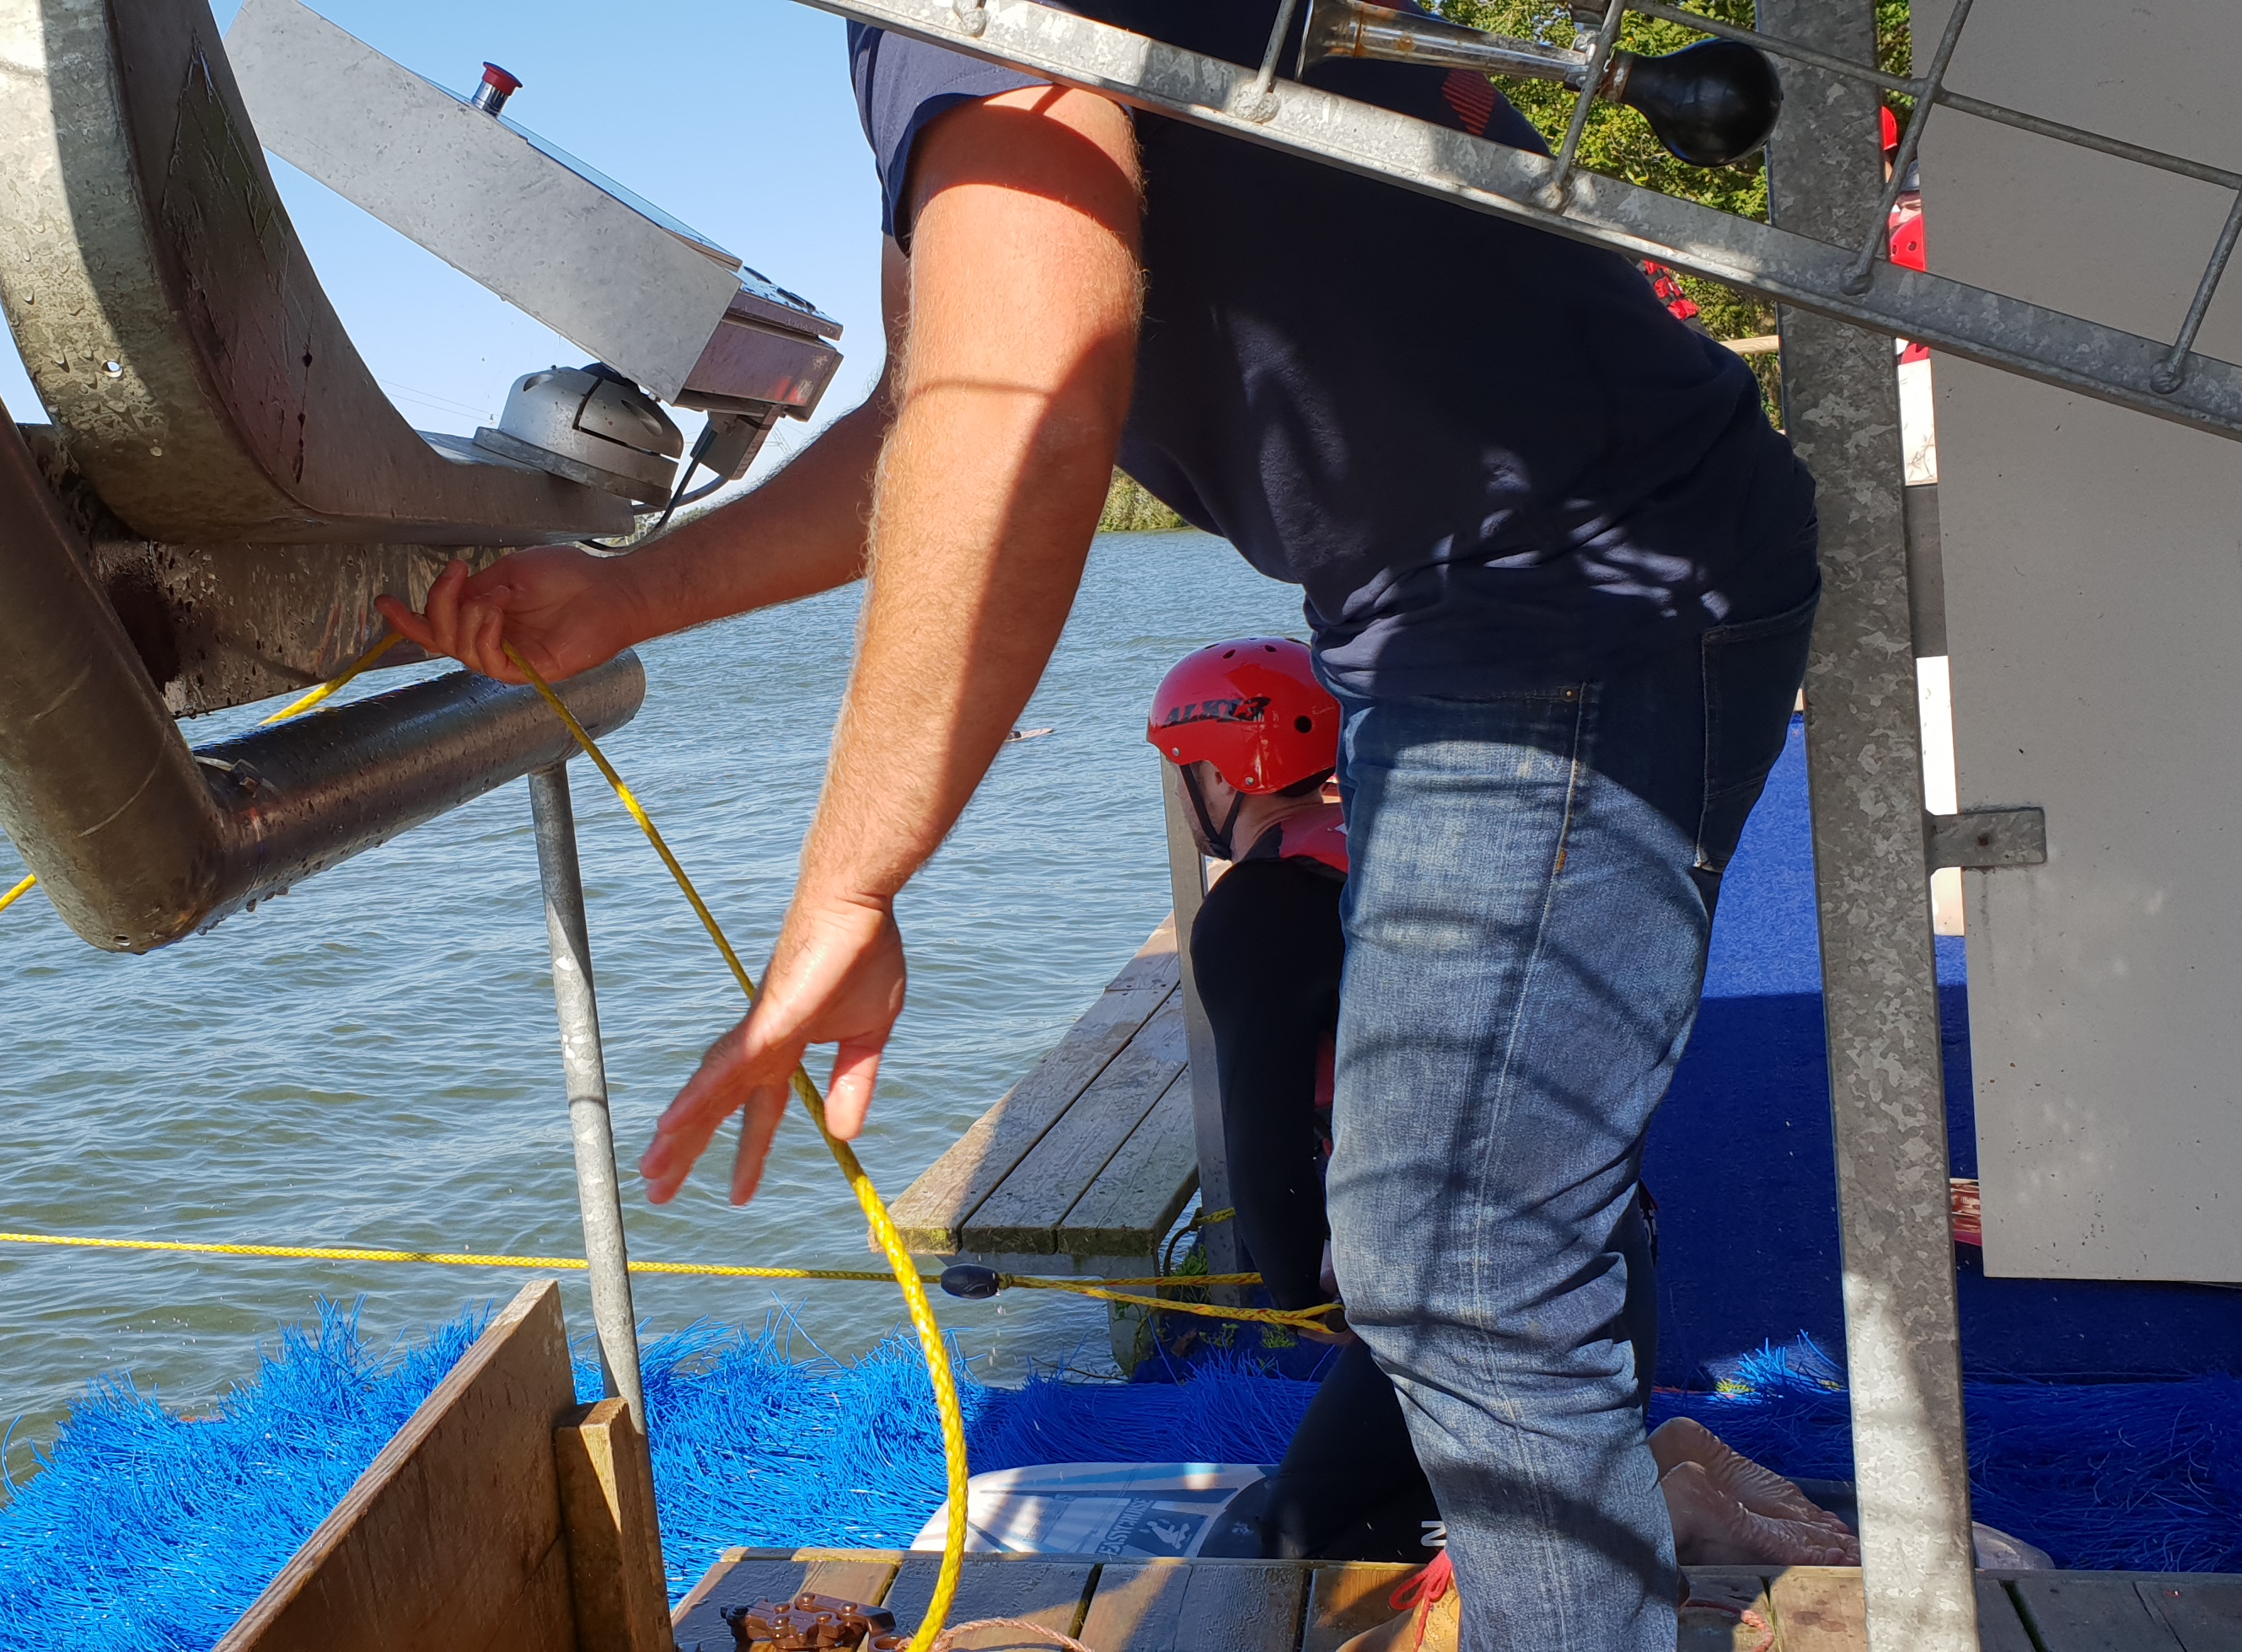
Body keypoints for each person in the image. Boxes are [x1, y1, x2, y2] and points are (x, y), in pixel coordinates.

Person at [382, 4, 1820, 1641]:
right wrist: (622, 600)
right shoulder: (934, 44)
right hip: (1474, 607)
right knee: (1465, 1224)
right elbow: (931, 409)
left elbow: (1024, 407)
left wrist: (850, 885)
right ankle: (1621, 1495)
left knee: (1463, 1255)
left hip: (1573, 589)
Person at [1152, 639, 1855, 1573]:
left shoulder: (1258, 910)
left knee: (1288, 1541)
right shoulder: (1409, 849)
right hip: (1605, 1247)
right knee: (1423, 1480)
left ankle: (1661, 1503)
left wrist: (1301, 1295)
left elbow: (1264, 1140)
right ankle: (1664, 1454)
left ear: (1218, 773)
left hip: (1479, 1284)